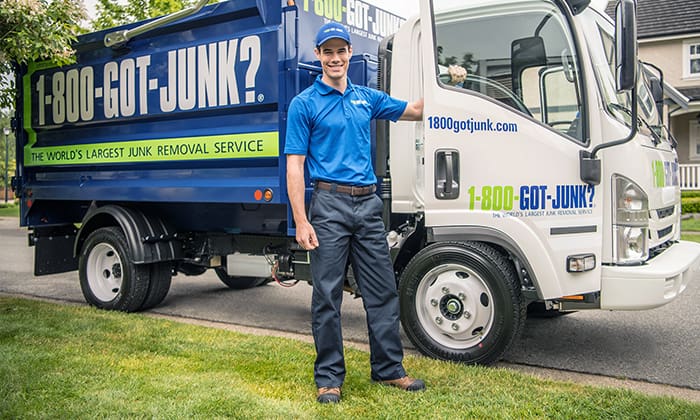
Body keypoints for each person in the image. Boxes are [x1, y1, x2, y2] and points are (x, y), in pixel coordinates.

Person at [285, 21, 425, 404]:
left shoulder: (367, 97)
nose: (334, 58)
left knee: (382, 290)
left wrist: (450, 82)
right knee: (327, 296)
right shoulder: (304, 104)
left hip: (367, 204)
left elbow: (414, 110)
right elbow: (295, 164)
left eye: (340, 51)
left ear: (349, 54)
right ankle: (329, 377)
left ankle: (389, 370)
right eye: (327, 52)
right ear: (318, 56)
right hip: (328, 205)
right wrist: (301, 219)